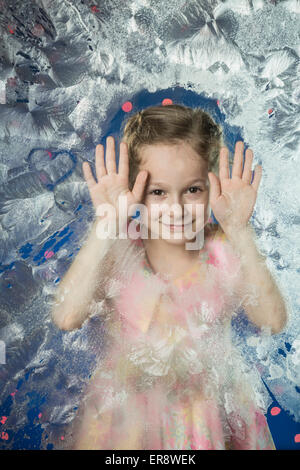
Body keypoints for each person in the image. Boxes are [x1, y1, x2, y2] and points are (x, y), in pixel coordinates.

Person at [51, 104, 288, 450]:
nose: (175, 208)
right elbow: (66, 316)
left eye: (192, 190)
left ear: (213, 185)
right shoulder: (119, 251)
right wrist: (105, 225)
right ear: (134, 188)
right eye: (158, 192)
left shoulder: (221, 251)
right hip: (127, 426)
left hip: (205, 421)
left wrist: (240, 230)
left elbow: (273, 320)